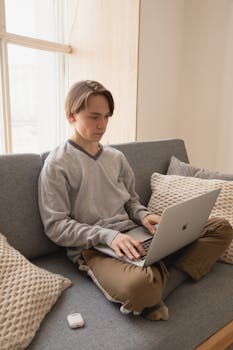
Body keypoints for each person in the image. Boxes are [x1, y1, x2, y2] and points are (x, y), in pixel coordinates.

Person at [38, 80, 233, 320]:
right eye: (94, 117)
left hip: (136, 233)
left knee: (221, 227)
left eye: (107, 117)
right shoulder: (56, 164)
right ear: (70, 115)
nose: (102, 125)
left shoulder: (116, 157)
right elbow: (55, 226)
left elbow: (131, 202)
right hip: (96, 248)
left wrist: (143, 215)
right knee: (139, 288)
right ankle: (161, 277)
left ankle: (158, 277)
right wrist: (108, 236)